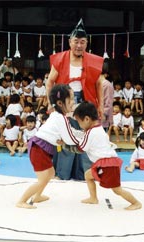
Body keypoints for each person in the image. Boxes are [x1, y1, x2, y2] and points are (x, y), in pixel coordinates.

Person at [46, 18, 104, 180]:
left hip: (87, 101)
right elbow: (50, 81)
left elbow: (99, 84)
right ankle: (63, 173)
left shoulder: (93, 60)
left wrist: (101, 106)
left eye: (83, 42)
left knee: (86, 137)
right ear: (70, 42)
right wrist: (51, 103)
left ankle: (84, 174)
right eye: (76, 41)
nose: (79, 45)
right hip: (66, 102)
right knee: (66, 135)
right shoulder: (60, 59)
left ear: (87, 43)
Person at [16, 84, 79, 209]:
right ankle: (21, 201)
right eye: (71, 99)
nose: (73, 102)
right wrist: (84, 141)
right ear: (60, 103)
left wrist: (81, 135)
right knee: (43, 178)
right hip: (38, 149)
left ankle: (37, 196)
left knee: (50, 173)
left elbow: (70, 132)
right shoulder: (60, 118)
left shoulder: (58, 116)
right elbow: (69, 138)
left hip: (41, 148)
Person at [72, 101, 142, 210]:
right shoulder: (98, 128)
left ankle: (136, 203)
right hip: (105, 162)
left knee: (117, 189)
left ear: (86, 119)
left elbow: (81, 148)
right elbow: (83, 137)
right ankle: (93, 198)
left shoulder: (91, 132)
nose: (79, 125)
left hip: (107, 164)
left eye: (79, 122)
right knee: (87, 175)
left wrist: (67, 144)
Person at [101, 60, 114, 131]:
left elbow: (108, 102)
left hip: (102, 118)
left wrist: (104, 114)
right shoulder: (97, 83)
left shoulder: (106, 85)